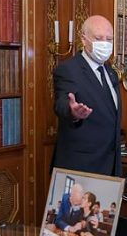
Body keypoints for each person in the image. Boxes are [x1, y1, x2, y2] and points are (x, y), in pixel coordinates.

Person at [51, 15, 122, 177]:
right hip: (81, 167)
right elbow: (61, 103)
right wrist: (73, 112)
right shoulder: (69, 69)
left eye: (109, 39)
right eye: (98, 38)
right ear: (83, 39)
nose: (105, 43)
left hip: (111, 166)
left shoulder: (111, 72)